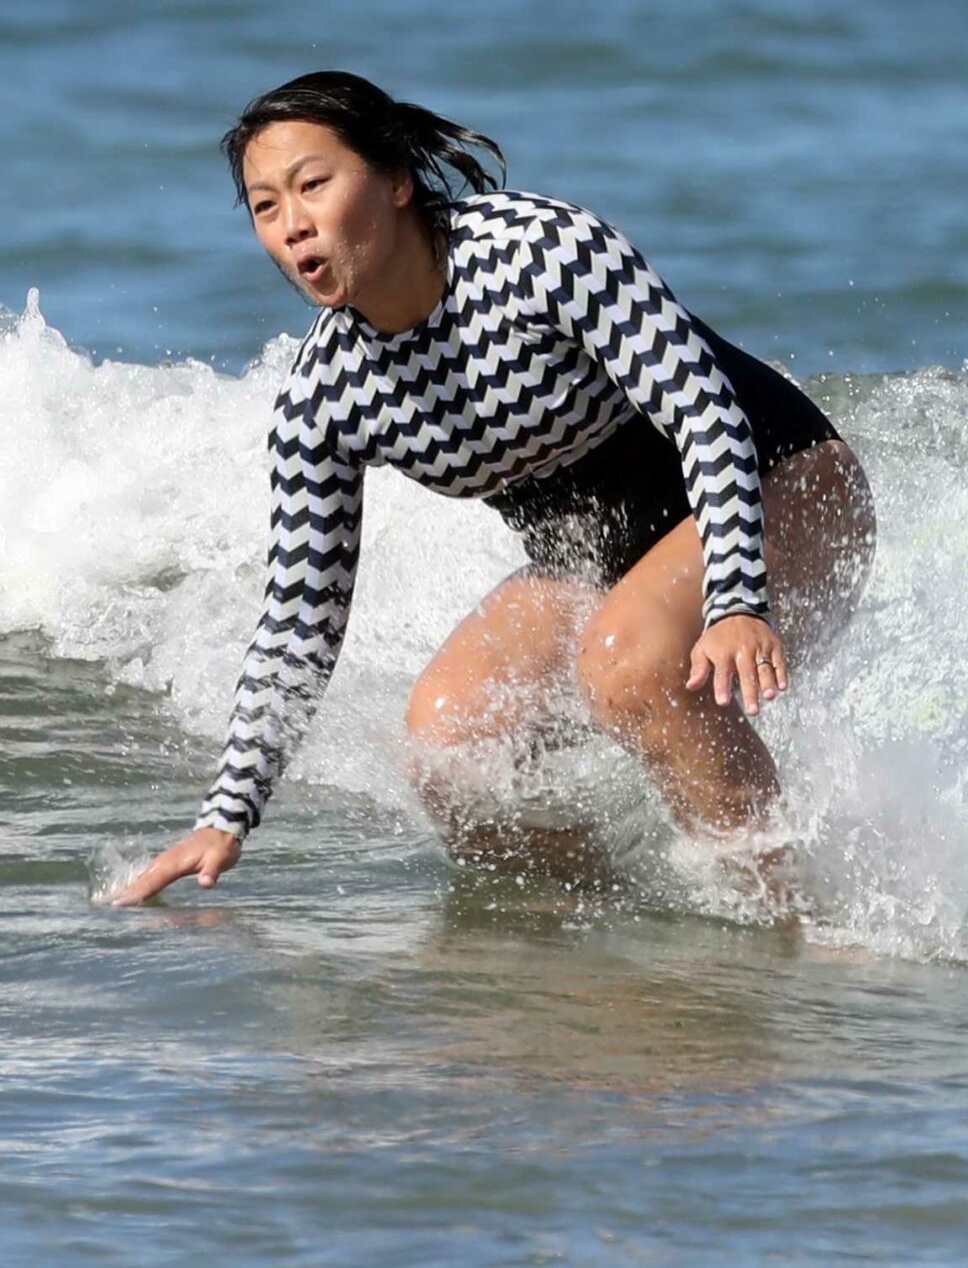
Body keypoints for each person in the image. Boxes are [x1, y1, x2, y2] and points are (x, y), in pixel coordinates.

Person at [114, 71, 876, 906]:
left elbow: (707, 416)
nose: (292, 224)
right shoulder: (325, 396)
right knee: (450, 746)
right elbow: (300, 622)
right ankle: (600, 953)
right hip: (603, 560)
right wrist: (227, 817)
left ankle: (800, 924)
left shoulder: (543, 253)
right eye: (264, 207)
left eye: (313, 185)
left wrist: (734, 596)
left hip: (779, 486)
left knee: (630, 662)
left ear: (397, 179)